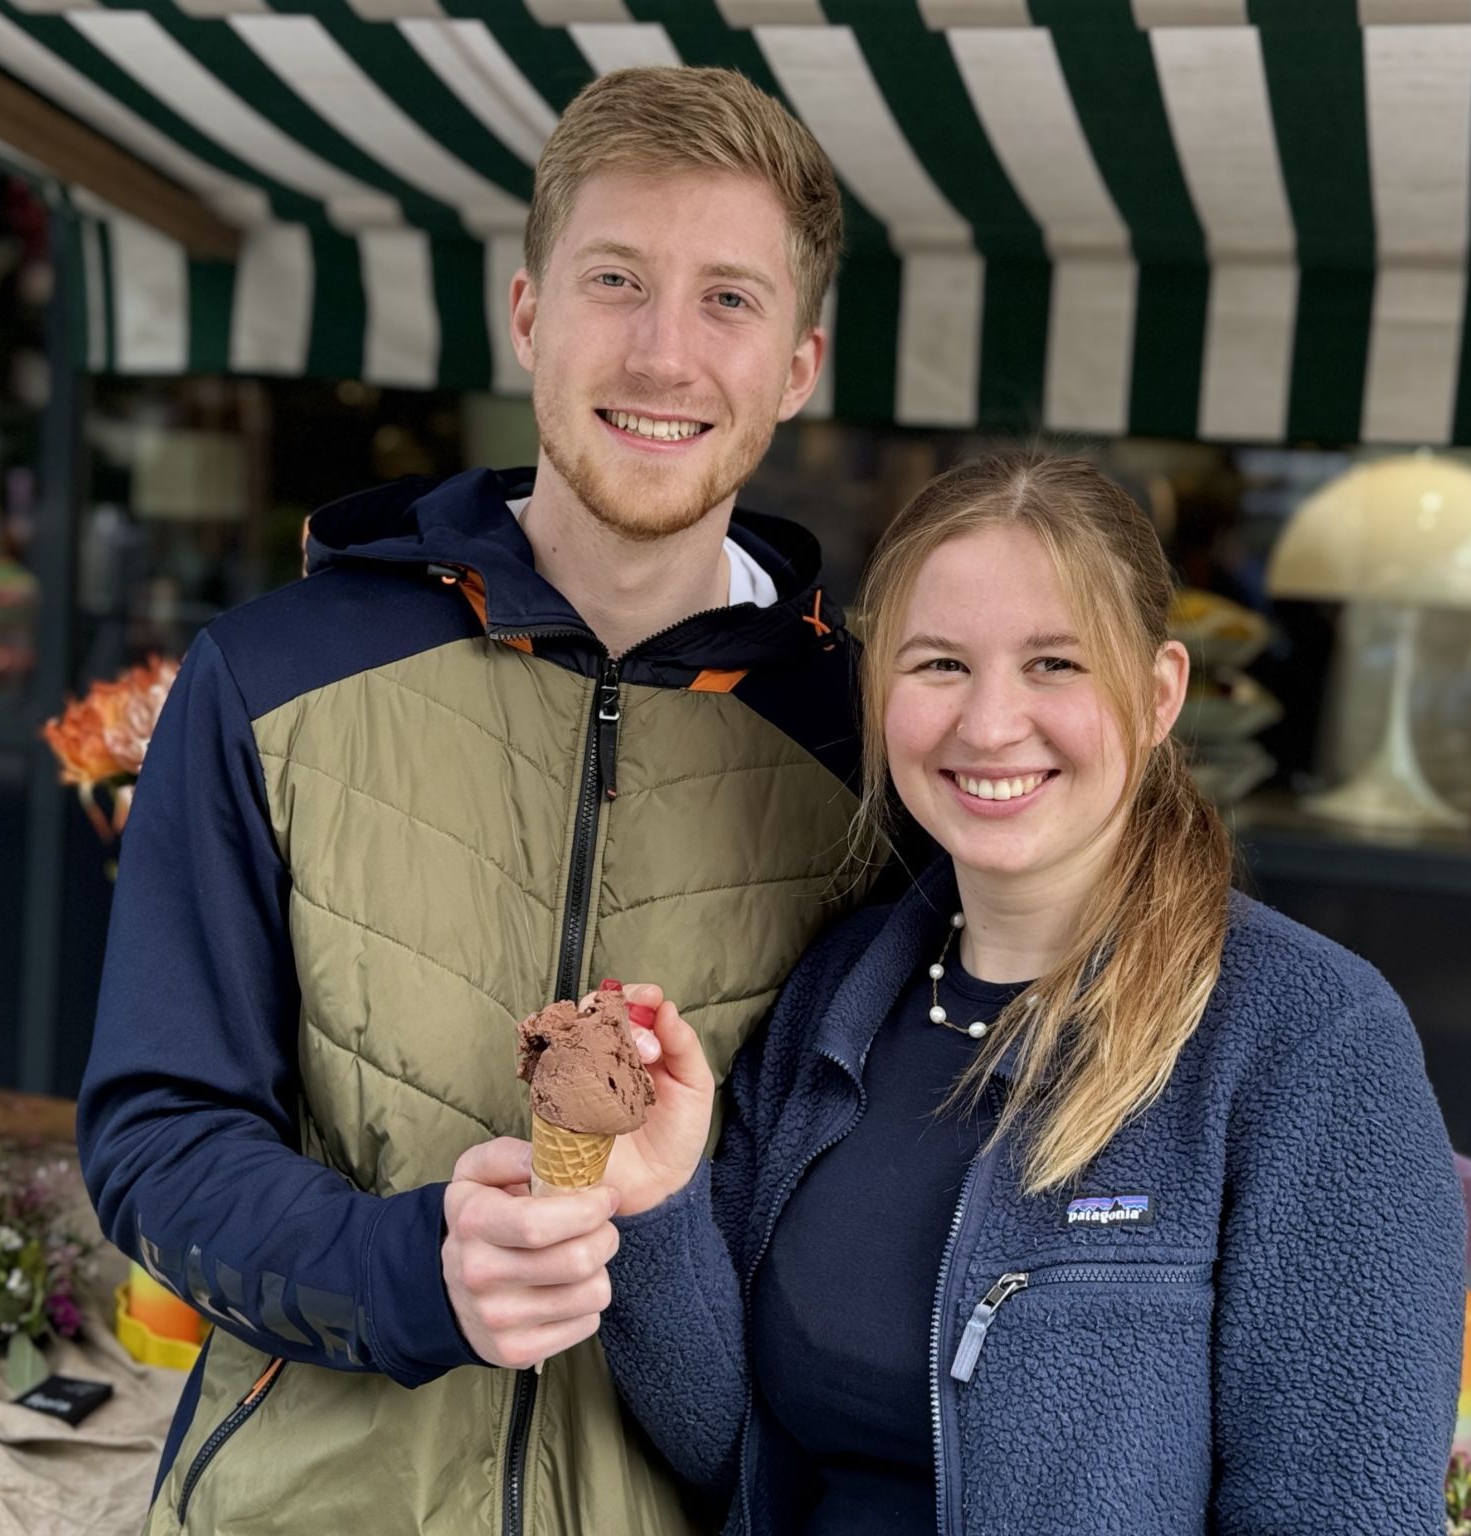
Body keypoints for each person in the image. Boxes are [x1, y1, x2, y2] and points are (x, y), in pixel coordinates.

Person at [77, 66, 873, 1536]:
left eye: (728, 300)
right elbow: (157, 1134)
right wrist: (407, 1273)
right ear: (526, 315)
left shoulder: (868, 751)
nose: (663, 353)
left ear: (797, 366)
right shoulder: (267, 675)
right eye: (614, 280)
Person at [488, 453, 1465, 1533]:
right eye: (941, 664)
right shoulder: (833, 999)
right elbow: (746, 1462)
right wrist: (657, 1209)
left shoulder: (1309, 1041)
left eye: (1054, 664)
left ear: (1158, 694)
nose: (990, 724)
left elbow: (1343, 1505)